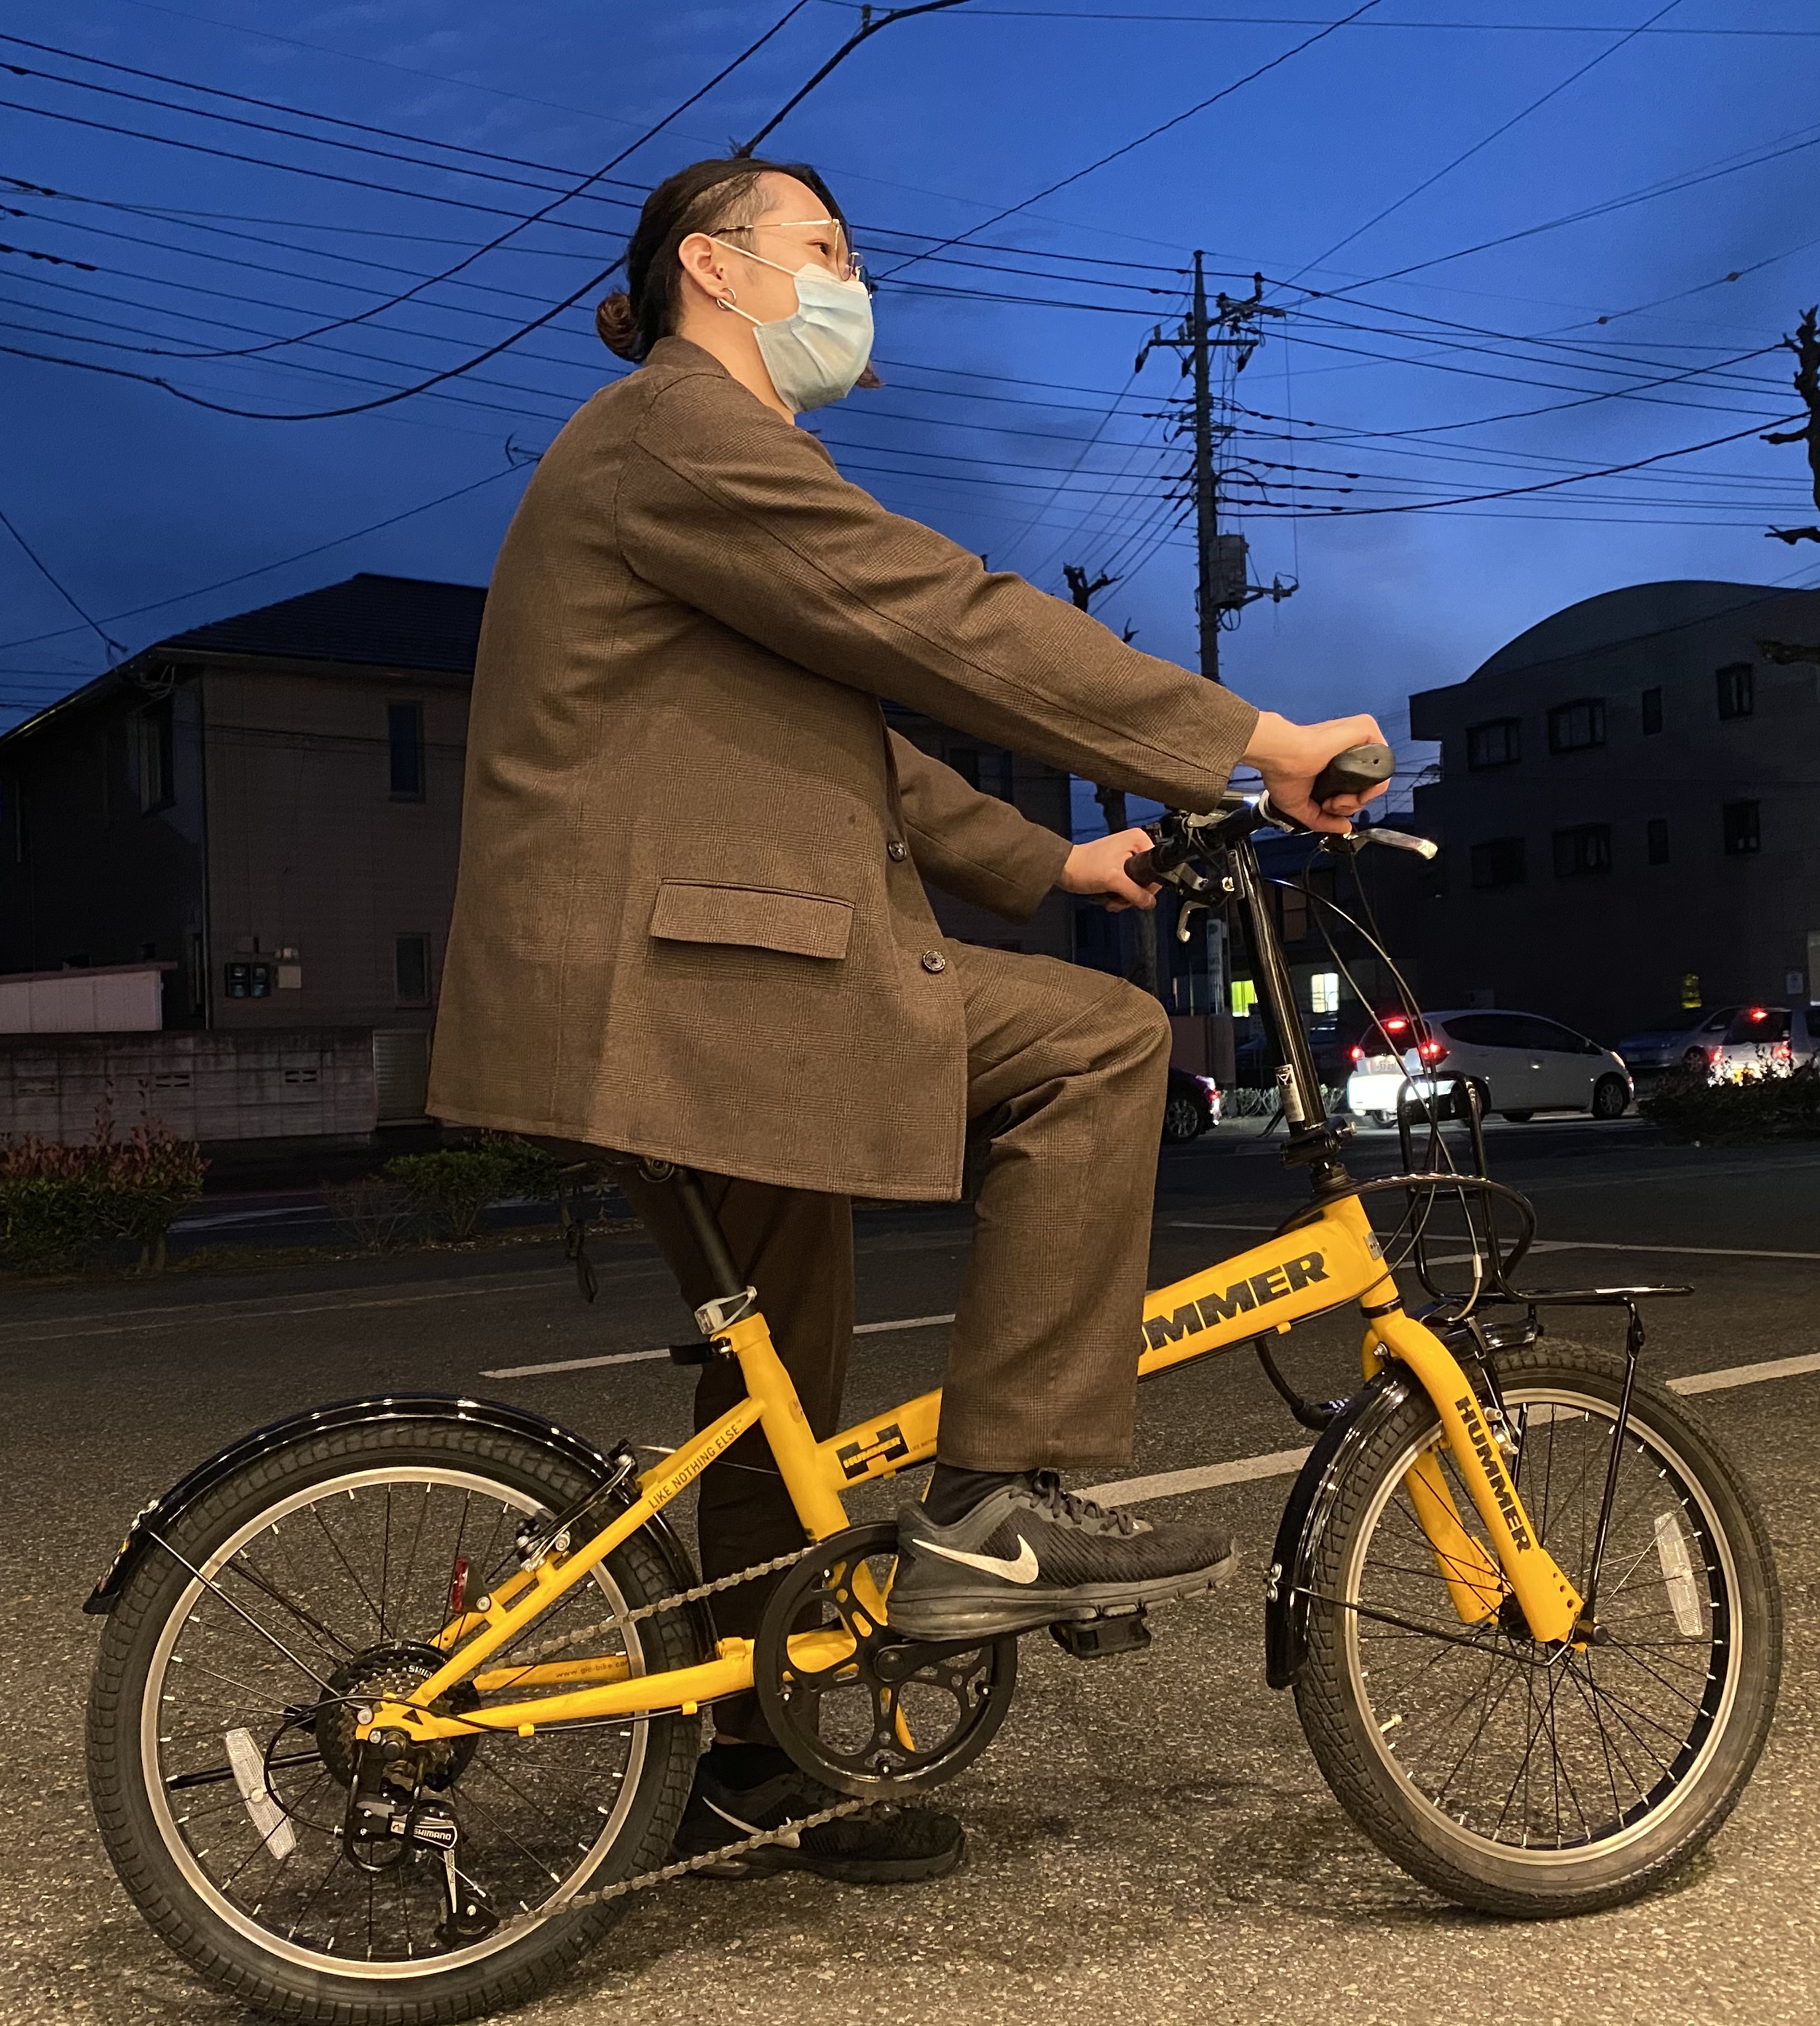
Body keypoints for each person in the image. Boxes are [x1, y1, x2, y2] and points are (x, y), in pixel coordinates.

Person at [430, 157, 1386, 1888]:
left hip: (670, 984)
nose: (852, 284)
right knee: (1099, 1055)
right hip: (694, 981)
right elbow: (948, 619)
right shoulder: (678, 433)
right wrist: (1258, 738)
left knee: (775, 1373)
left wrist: (1057, 857)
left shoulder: (697, 462)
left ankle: (746, 1756)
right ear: (711, 268)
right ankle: (994, 1505)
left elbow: (868, 739)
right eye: (826, 251)